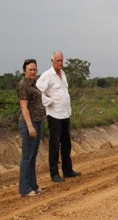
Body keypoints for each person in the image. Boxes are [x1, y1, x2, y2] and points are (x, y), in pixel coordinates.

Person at [36, 51, 81, 182]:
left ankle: (67, 170)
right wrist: (48, 102)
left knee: (66, 143)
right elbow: (37, 90)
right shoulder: (47, 75)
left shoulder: (63, 74)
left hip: (65, 114)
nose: (60, 63)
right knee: (55, 145)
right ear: (52, 61)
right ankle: (54, 174)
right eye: (58, 61)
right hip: (54, 114)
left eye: (61, 60)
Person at [17, 59, 45, 196]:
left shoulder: (33, 84)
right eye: (30, 69)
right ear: (24, 71)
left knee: (33, 156)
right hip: (30, 123)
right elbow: (24, 107)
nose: (33, 71)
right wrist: (29, 126)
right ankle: (24, 189)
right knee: (27, 157)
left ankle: (33, 185)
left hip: (37, 122)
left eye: (34, 69)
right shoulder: (23, 85)